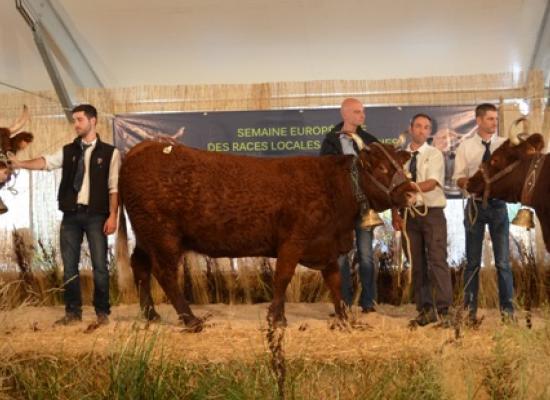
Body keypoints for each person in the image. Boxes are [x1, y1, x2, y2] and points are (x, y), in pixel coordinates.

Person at [9, 104, 120, 326]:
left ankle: (102, 313)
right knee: (69, 266)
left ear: (92, 120)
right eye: (74, 120)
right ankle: (72, 313)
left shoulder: (110, 153)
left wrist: (113, 215)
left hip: (97, 216)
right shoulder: (68, 150)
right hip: (70, 216)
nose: (75, 124)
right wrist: (20, 163)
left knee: (100, 266)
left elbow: (113, 187)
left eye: (79, 119)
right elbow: (46, 162)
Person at [453, 103, 514, 324]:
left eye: (495, 119)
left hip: (499, 207)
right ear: (478, 121)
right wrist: (468, 183)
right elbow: (457, 178)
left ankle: (508, 313)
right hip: (475, 206)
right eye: (490, 119)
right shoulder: (465, 147)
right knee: (472, 263)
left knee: (503, 263)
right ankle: (469, 312)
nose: (494, 122)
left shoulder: (504, 145)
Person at [393, 113, 452, 326]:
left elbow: (432, 183)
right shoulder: (400, 157)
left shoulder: (434, 154)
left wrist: (407, 187)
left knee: (437, 260)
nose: (421, 130)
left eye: (426, 127)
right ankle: (425, 309)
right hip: (409, 215)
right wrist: (395, 213)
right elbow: (393, 189)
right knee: (416, 263)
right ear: (410, 128)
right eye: (418, 126)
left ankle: (444, 310)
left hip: (432, 213)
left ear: (429, 132)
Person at [320, 98, 378, 313]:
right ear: (344, 114)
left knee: (366, 256)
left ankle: (368, 303)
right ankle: (342, 302)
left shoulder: (370, 141)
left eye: (362, 111)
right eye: (356, 112)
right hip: (340, 210)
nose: (361, 115)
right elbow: (324, 172)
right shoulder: (330, 141)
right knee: (341, 257)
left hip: (364, 208)